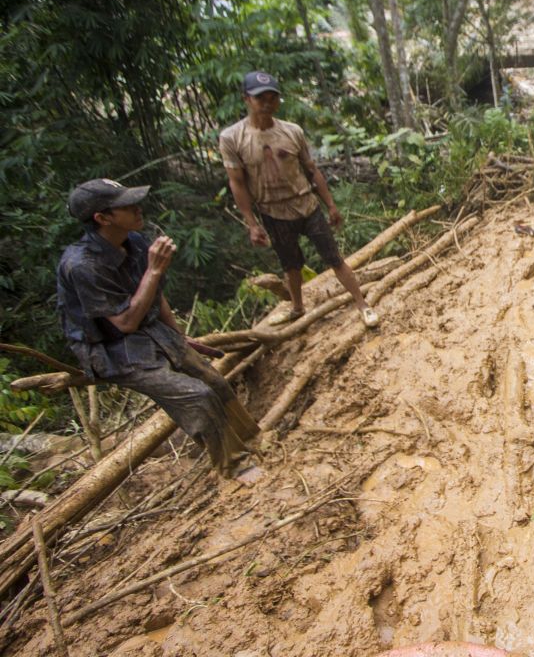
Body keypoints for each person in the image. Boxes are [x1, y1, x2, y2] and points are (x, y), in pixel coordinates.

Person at [57, 180, 259, 477]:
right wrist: (153, 270)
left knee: (212, 379)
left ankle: (252, 438)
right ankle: (234, 466)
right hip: (113, 348)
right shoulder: (82, 265)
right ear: (103, 218)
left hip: (151, 328)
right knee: (196, 395)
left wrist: (178, 339)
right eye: (126, 206)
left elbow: (155, 295)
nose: (138, 208)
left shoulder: (135, 241)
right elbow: (125, 323)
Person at [220, 71, 379, 329]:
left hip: (306, 204)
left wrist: (330, 205)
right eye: (261, 98)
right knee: (291, 265)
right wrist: (251, 223)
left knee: (334, 258)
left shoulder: (292, 131)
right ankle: (297, 308)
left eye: (273, 97)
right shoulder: (232, 138)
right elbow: (237, 183)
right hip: (273, 212)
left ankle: (362, 303)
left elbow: (311, 170)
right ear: (247, 99)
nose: (268, 103)